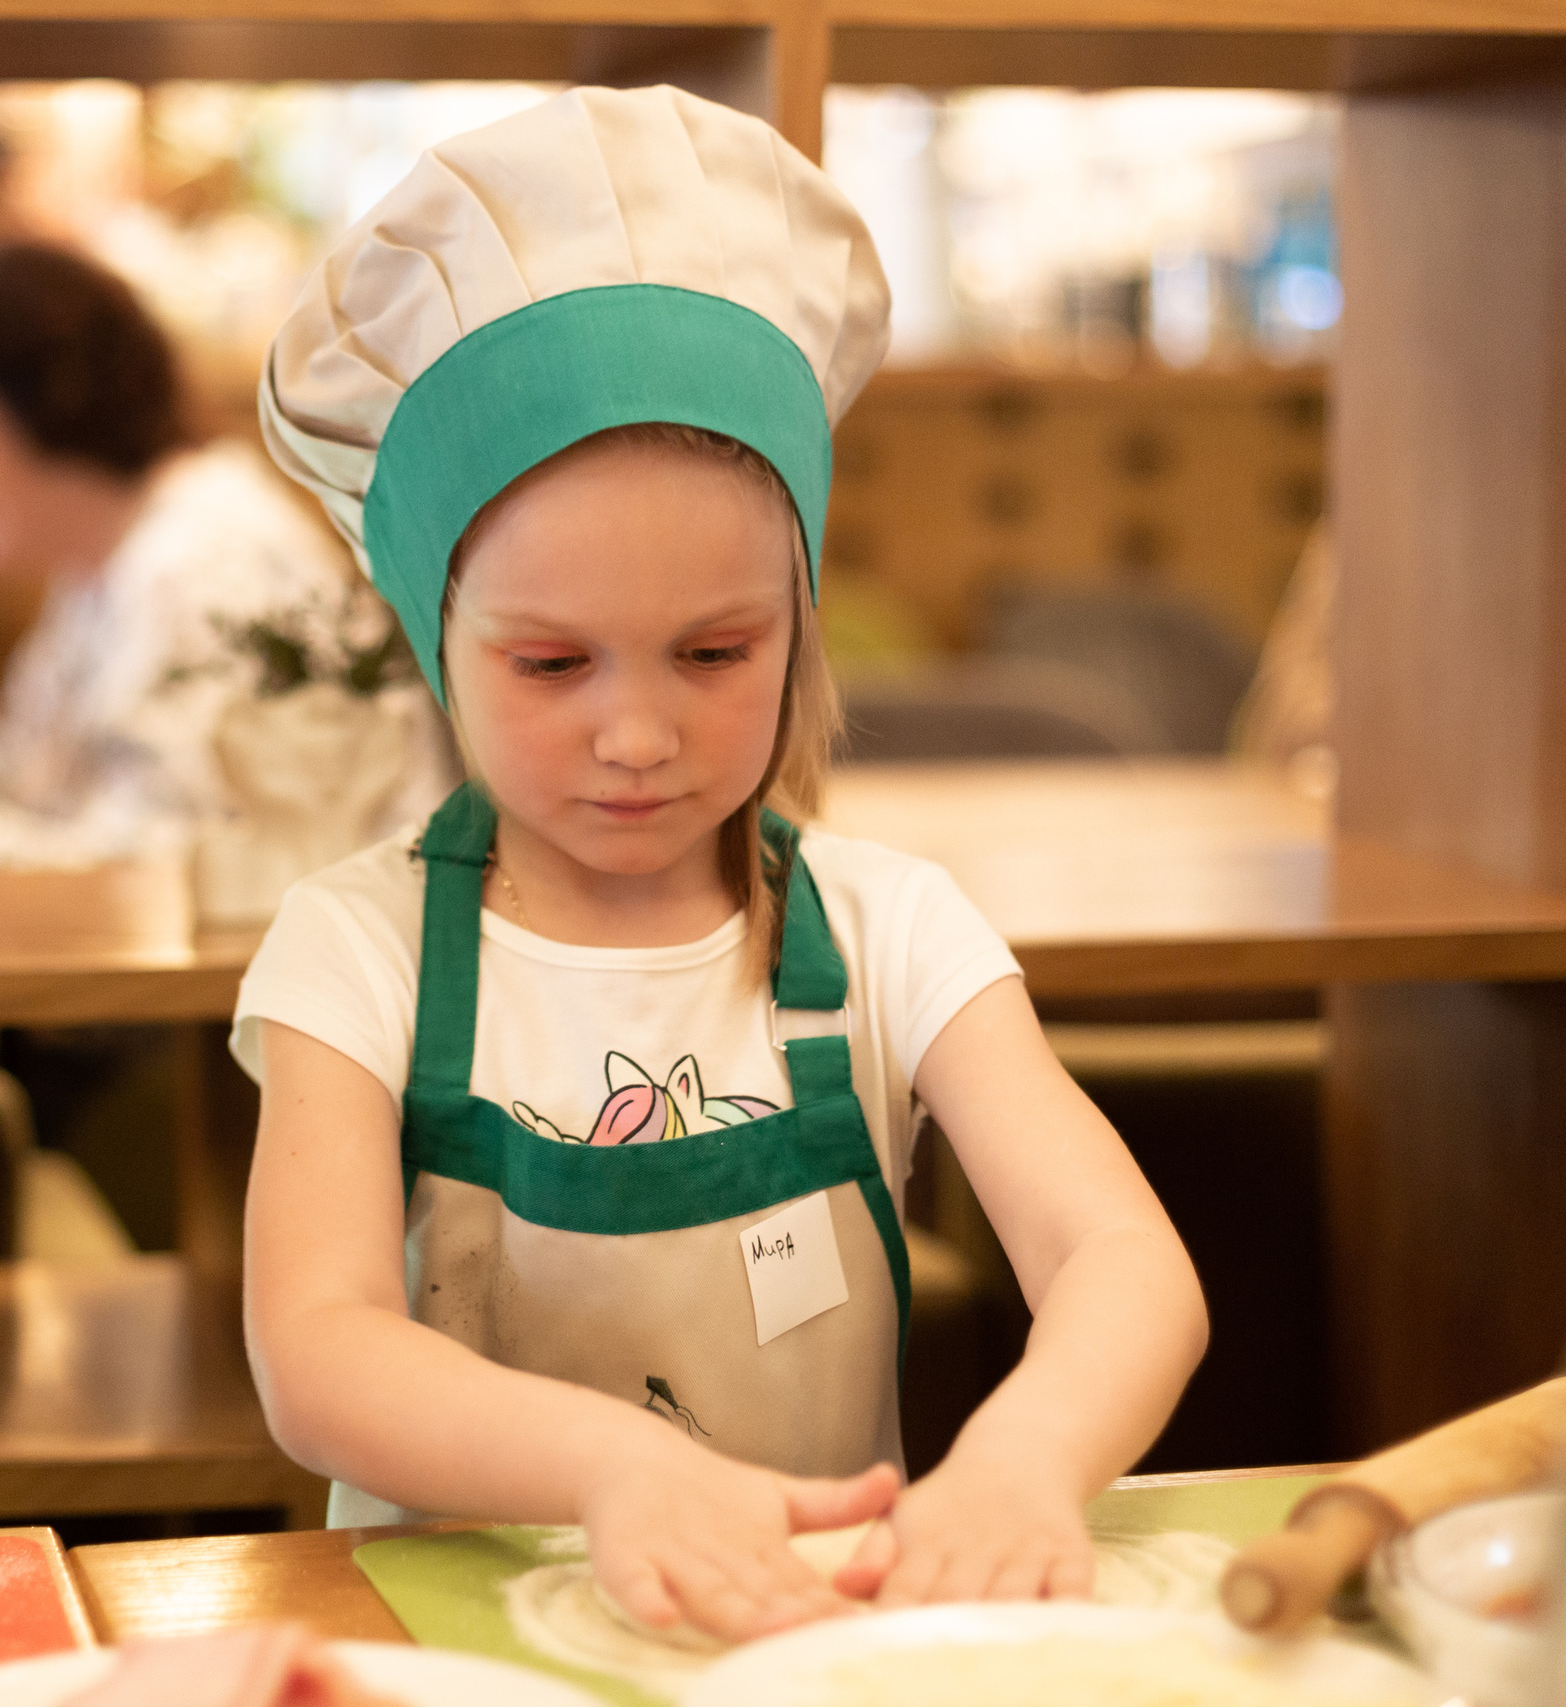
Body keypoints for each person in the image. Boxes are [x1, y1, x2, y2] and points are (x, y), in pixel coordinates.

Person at [239, 88, 1208, 1640]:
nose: (637, 731)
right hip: (465, 1644)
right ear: (439, 648)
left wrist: (1028, 1455)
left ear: (799, 626)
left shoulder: (891, 928)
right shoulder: (357, 952)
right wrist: (613, 1466)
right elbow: (319, 1345)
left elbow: (1122, 1257)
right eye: (554, 663)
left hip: (813, 1637)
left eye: (711, 650)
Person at [0, 241, 437, 867]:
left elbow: (156, 879)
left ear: (41, 404)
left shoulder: (206, 565)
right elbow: (34, 776)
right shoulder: (119, 556)